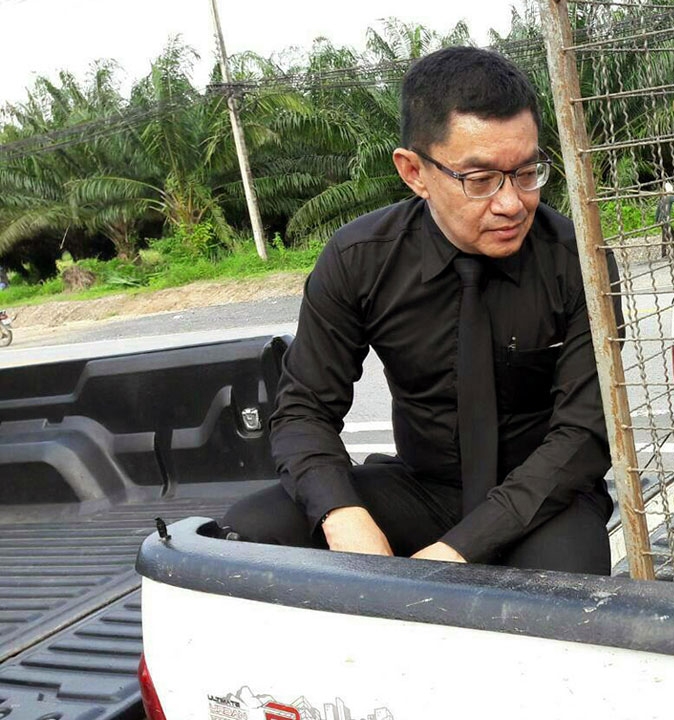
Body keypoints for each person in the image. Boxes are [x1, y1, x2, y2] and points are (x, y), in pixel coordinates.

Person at [221, 46, 618, 575]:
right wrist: (343, 515)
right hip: (424, 488)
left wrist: (455, 552)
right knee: (252, 531)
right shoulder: (361, 260)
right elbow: (304, 410)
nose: (512, 203)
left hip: (543, 498)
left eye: (527, 172)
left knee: (560, 590)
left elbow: (582, 435)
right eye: (480, 180)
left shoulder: (577, 261)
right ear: (414, 172)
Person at [655, 181, 674, 258]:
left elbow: (657, 211)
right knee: (666, 236)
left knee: (670, 234)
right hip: (665, 220)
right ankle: (665, 253)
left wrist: (656, 220)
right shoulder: (669, 198)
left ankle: (673, 251)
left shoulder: (662, 199)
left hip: (661, 220)